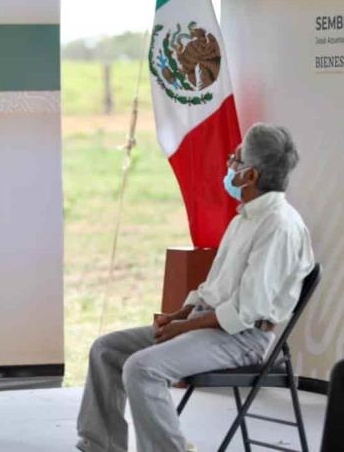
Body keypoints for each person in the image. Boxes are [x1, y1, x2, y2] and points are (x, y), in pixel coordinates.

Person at [76, 123, 315, 452]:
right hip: (208, 324)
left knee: (142, 369)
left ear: (251, 176)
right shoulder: (244, 218)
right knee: (106, 349)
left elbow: (244, 311)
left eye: (236, 159)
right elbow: (212, 289)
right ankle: (99, 445)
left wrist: (182, 327)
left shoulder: (279, 227)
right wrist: (177, 315)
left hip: (243, 338)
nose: (229, 165)